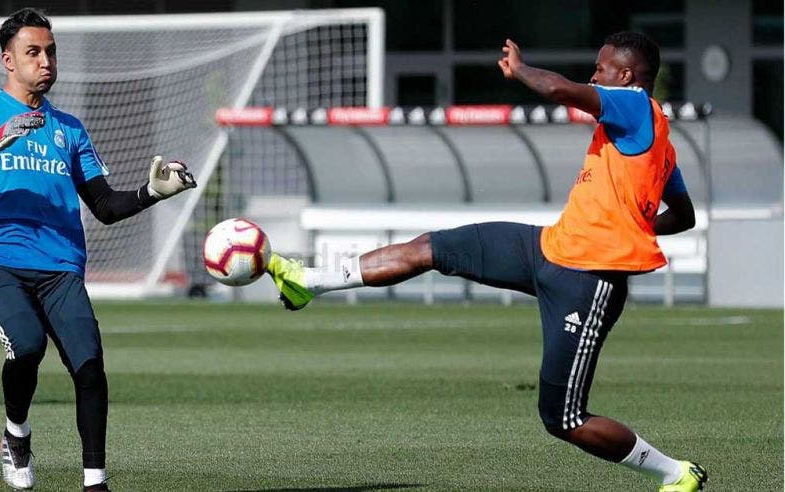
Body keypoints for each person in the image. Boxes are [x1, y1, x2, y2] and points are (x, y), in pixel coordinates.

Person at [266, 32, 707, 491]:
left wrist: (520, 71)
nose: (593, 75)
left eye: (600, 68)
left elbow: (560, 91)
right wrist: (636, 224)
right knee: (432, 248)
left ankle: (676, 473)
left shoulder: (634, 105)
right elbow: (683, 215)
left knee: (563, 418)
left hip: (588, 281)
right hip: (548, 248)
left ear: (626, 76)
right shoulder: (656, 141)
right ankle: (310, 281)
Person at [0, 8, 196, 491]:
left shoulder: (69, 129)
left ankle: (95, 482)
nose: (46, 61)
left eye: (50, 51)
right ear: (8, 60)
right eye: (33, 52)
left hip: (60, 267)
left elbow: (105, 206)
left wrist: (153, 192)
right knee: (26, 345)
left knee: (90, 365)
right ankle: (16, 434)